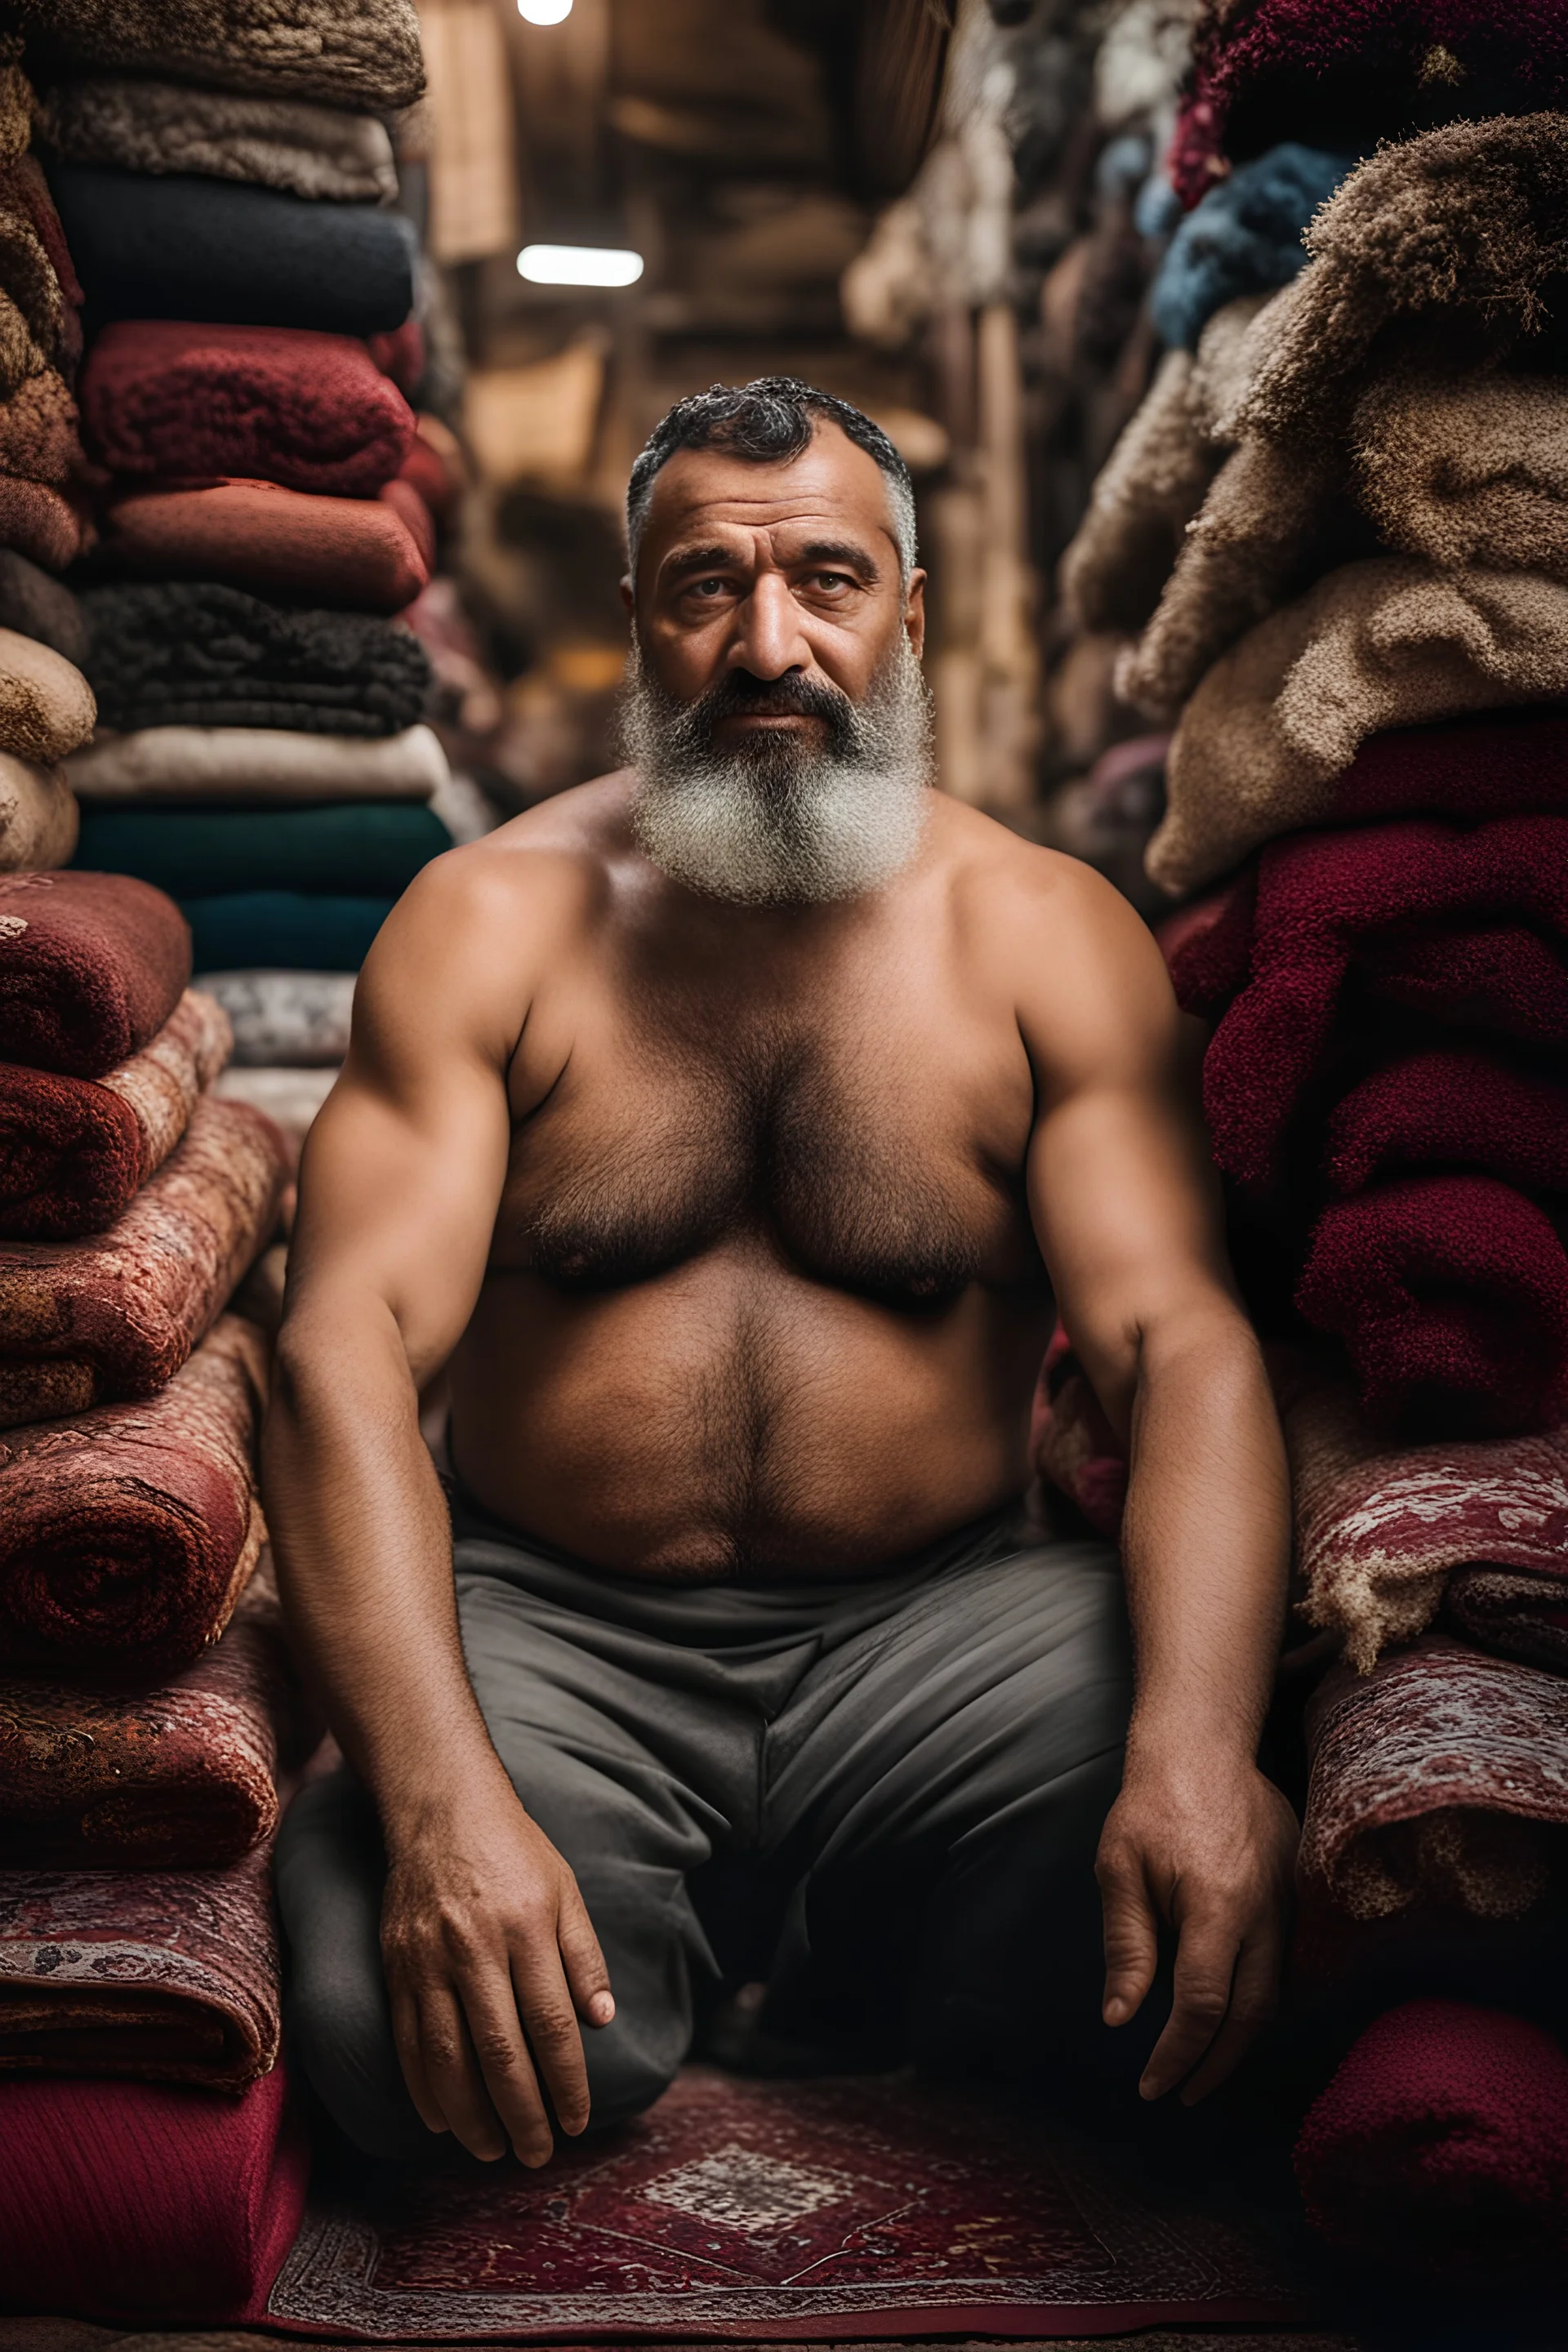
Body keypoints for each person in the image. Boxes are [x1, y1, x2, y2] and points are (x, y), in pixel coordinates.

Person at [265, 377, 1296, 2172]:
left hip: (952, 1634)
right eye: (705, 589)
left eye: (826, 580)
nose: (770, 645)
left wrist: (1200, 1755)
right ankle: (708, 1938)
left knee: (1184, 1978)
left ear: (911, 607)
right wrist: (436, 1812)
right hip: (558, 1623)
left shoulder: (1046, 937)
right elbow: (339, 1349)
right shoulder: (490, 923)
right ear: (635, 626)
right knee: (402, 2052)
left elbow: (1181, 1346)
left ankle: (871, 1951)